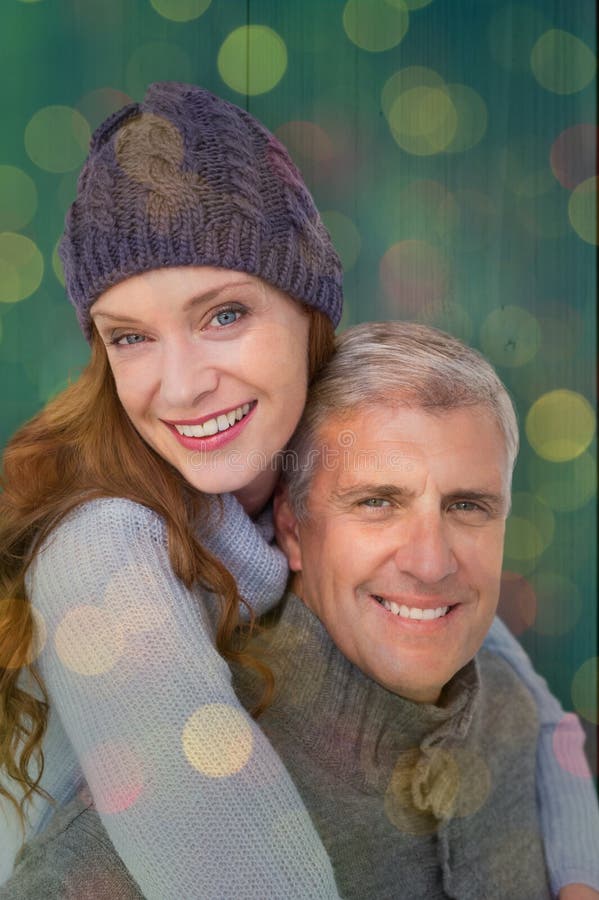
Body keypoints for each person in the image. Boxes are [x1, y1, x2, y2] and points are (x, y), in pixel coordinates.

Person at [0, 83, 596, 899]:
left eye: (223, 316)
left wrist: (577, 878)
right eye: (130, 337)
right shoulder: (104, 549)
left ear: (310, 308)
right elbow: (230, 868)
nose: (179, 388)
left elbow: (525, 700)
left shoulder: (317, 452)